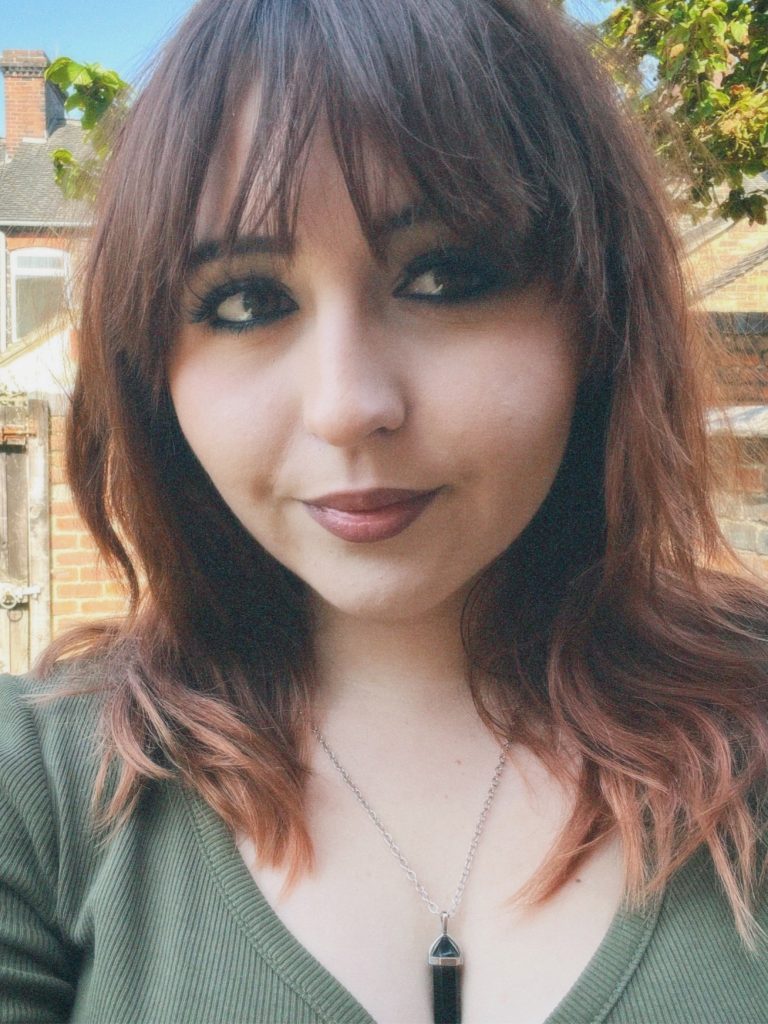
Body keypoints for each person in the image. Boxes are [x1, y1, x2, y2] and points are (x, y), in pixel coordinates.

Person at [1, 0, 767, 1021]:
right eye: (244, 301)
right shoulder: (42, 791)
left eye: (446, 275)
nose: (348, 405)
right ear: (155, 372)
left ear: (598, 313)